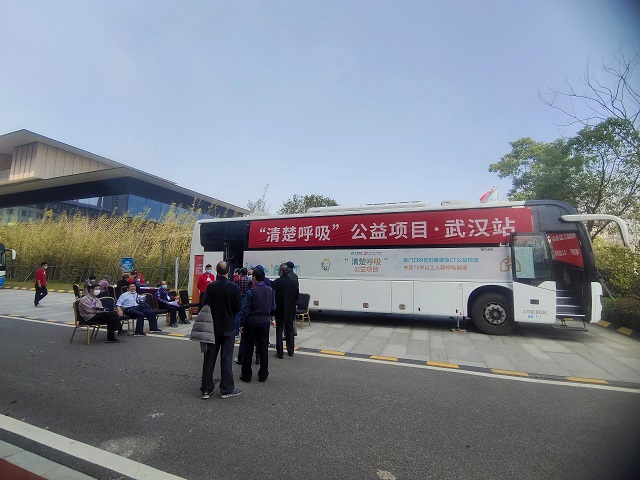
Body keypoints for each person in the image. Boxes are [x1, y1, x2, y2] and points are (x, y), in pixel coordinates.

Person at [202, 261, 243, 399]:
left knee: (209, 358)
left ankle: (206, 389)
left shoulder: (210, 287)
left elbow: (204, 304)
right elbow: (238, 308)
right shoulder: (234, 287)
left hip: (212, 327)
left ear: (216, 271)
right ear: (228, 271)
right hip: (228, 327)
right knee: (226, 358)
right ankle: (226, 388)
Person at [239, 268, 275, 383]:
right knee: (263, 348)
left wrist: (242, 323)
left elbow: (245, 309)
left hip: (251, 322)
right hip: (264, 322)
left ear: (254, 278)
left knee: (248, 349)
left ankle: (246, 375)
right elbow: (273, 307)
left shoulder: (251, 291)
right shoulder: (270, 290)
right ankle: (263, 374)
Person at [272, 264, 299, 358]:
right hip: (290, 309)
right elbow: (297, 295)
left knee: (279, 330)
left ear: (281, 271)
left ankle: (280, 353)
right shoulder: (293, 282)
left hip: (279, 309)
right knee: (289, 330)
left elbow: (273, 297)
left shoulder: (276, 282)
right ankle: (290, 350)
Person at [233, 268, 251, 335]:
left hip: (239, 296)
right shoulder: (249, 280)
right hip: (246, 297)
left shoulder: (238, 279)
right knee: (245, 313)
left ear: (241, 273)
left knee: (238, 314)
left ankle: (236, 331)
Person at [286, 261, 299, 336]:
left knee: (286, 317)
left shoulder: (287, 275)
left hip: (287, 298)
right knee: (293, 316)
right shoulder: (295, 276)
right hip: (293, 299)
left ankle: (287, 333)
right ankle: (294, 330)